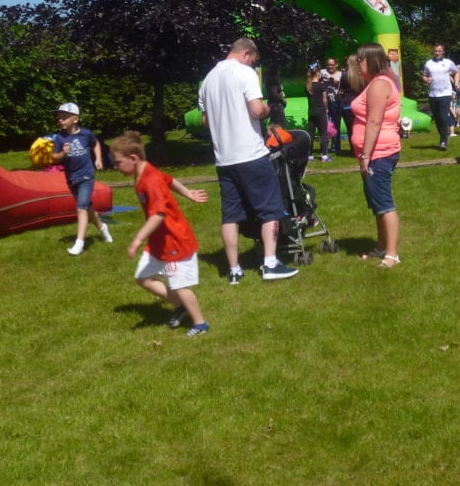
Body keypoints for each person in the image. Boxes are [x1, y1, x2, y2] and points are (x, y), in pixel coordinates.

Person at [197, 38, 298, 283]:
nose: (254, 64)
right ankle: (270, 263)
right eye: (254, 60)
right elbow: (256, 110)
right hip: (251, 154)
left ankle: (234, 269)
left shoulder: (208, 79)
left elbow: (206, 121)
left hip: (224, 158)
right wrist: (268, 109)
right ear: (246, 53)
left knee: (230, 215)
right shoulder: (245, 73)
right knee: (270, 209)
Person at [110, 131, 210, 337]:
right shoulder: (144, 172)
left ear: (133, 158)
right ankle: (180, 306)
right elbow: (170, 180)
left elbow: (159, 214)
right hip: (158, 241)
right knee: (143, 278)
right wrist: (187, 192)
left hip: (174, 241)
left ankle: (200, 324)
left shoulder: (150, 180)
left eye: (118, 162)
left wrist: (137, 239)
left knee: (180, 285)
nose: (115, 167)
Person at [351, 43, 402, 268]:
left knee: (384, 203)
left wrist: (366, 155)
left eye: (361, 59)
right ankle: (381, 247)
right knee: (377, 203)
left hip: (378, 153)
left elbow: (374, 121)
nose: (357, 63)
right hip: (377, 152)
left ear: (372, 60)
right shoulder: (376, 83)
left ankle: (391, 254)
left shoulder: (379, 85)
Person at [51, 102, 110, 256]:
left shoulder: (85, 134)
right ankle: (103, 228)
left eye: (64, 117)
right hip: (72, 178)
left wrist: (98, 158)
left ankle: (79, 243)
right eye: (59, 118)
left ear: (75, 119)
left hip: (87, 175)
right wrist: (63, 154)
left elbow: (95, 143)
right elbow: (54, 157)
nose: (60, 120)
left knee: (81, 208)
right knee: (87, 207)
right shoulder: (60, 138)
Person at [421, 44, 457, 149]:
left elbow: (456, 72)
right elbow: (424, 75)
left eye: (439, 51)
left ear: (443, 52)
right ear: (433, 52)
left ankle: (443, 141)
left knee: (443, 117)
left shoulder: (448, 63)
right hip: (433, 94)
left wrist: (456, 82)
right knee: (437, 118)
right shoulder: (429, 63)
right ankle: (443, 137)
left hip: (445, 93)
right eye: (436, 51)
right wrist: (426, 80)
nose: (437, 53)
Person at [305, 62, 331, 162]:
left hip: (311, 112)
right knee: (323, 134)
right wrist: (327, 108)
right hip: (321, 112)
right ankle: (324, 155)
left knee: (310, 134)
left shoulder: (308, 86)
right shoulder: (321, 85)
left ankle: (309, 155)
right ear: (318, 73)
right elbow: (324, 99)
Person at [322, 57, 343, 155]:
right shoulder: (322, 72)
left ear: (336, 65)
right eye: (328, 65)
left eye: (332, 65)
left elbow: (343, 87)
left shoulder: (341, 74)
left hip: (336, 102)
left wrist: (336, 82)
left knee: (336, 125)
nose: (330, 67)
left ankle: (335, 147)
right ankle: (324, 147)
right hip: (324, 103)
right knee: (325, 125)